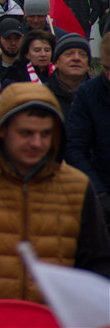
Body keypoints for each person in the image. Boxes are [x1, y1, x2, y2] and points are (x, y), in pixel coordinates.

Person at [0, 83, 110, 320]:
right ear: (2, 130)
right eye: (26, 133)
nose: (37, 143)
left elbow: (98, 266)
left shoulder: (77, 188)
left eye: (45, 134)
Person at [66, 32, 110, 222]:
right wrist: (98, 192)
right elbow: (75, 147)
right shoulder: (89, 93)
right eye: (106, 69)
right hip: (101, 186)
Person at [45, 33, 91, 118]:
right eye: (69, 54)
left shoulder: (100, 96)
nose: (76, 58)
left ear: (88, 65)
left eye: (82, 55)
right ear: (56, 62)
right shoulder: (43, 95)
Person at [0, 17, 23, 85]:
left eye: (17, 38)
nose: (13, 43)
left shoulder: (30, 66)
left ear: (22, 38)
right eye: (8, 38)